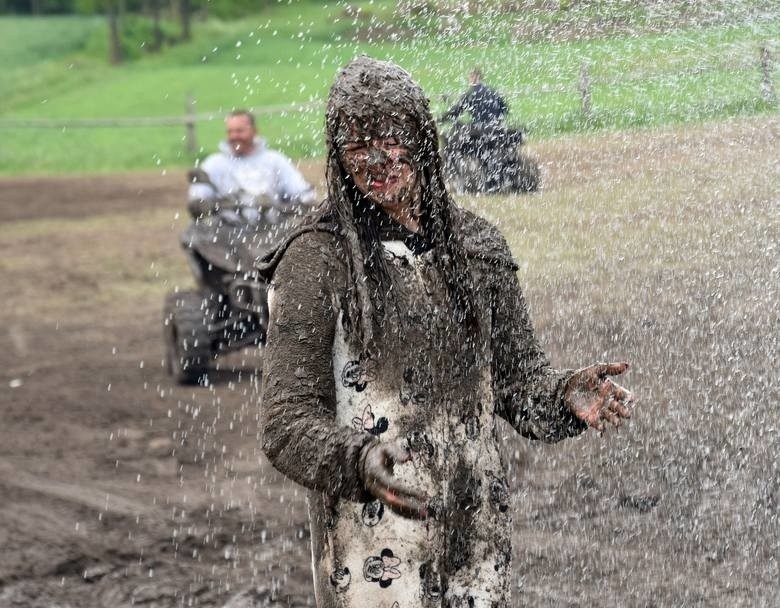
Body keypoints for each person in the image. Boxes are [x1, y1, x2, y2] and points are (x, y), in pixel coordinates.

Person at [259, 57, 635, 607]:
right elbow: (286, 422)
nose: (376, 159)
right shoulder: (316, 258)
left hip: (475, 525)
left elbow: (516, 381)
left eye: (391, 137)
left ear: (423, 137)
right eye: (355, 145)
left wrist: (562, 400)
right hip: (371, 542)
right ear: (337, 156)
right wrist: (361, 461)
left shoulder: (476, 247)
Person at [187, 109, 315, 219]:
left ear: (254, 131)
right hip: (226, 235)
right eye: (230, 132)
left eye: (239, 131)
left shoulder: (274, 160)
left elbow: (300, 192)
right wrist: (199, 203)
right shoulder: (214, 163)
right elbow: (199, 195)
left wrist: (305, 202)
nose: (234, 136)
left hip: (272, 231)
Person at [440, 67, 508, 126]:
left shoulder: (470, 94)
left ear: (477, 76)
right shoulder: (493, 92)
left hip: (478, 132)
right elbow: (505, 110)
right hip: (496, 130)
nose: (469, 79)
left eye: (471, 76)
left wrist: (438, 120)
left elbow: (455, 113)